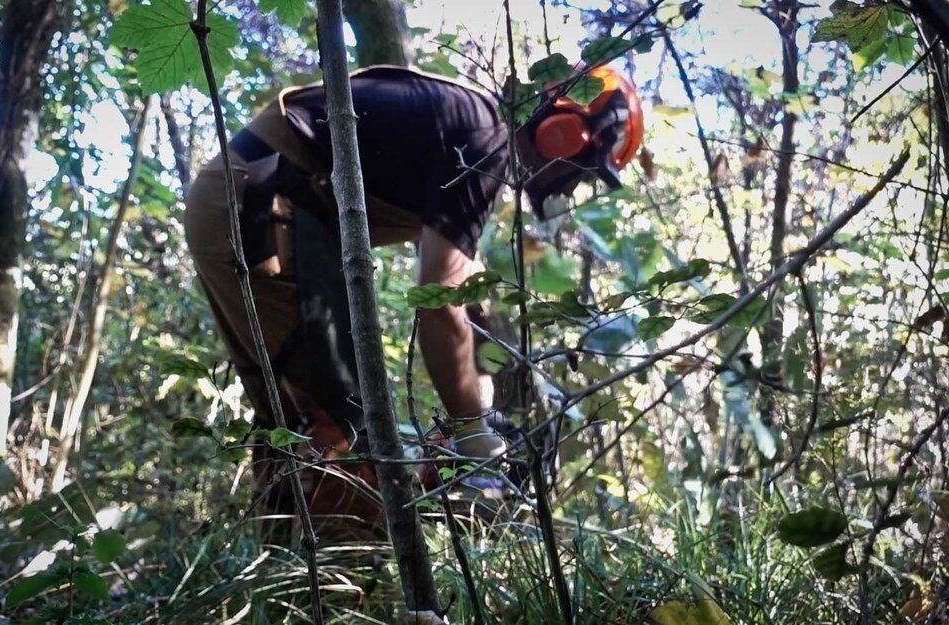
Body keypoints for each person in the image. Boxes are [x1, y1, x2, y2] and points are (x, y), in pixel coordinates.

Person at [183, 63, 642, 540]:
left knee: (295, 416)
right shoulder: (486, 142)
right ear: (563, 134)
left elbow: (458, 274)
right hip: (263, 206)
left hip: (242, 198)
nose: (570, 186)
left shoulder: (473, 126)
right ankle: (342, 587)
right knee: (338, 420)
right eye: (581, 170)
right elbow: (439, 301)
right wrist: (471, 428)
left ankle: (282, 574)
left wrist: (483, 362)